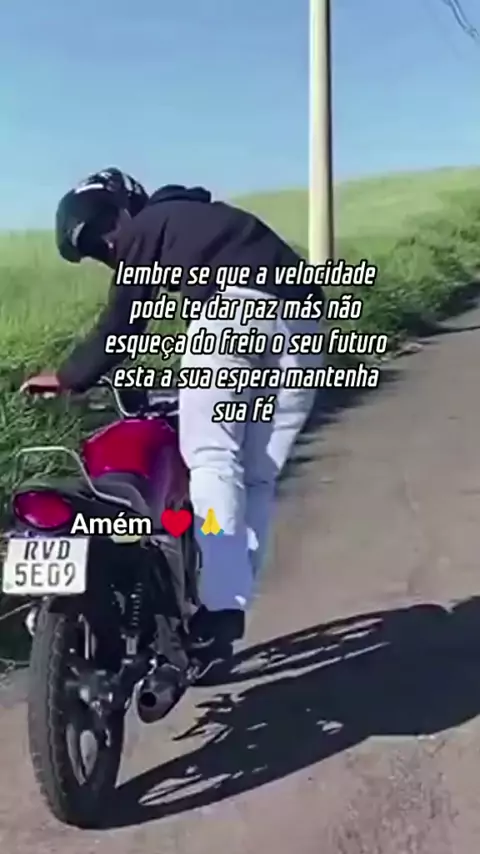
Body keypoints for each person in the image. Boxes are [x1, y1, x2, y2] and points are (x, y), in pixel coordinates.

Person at [21, 167, 325, 674]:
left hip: (236, 317)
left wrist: (68, 377)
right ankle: (224, 609)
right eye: (94, 247)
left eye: (103, 228)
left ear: (126, 208)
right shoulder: (208, 221)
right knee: (255, 477)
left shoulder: (150, 225)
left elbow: (123, 323)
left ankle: (220, 607)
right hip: (304, 334)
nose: (106, 245)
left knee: (211, 457)